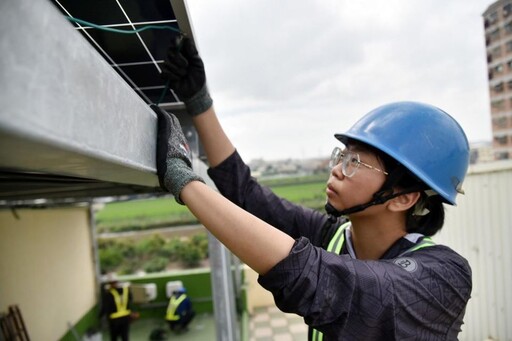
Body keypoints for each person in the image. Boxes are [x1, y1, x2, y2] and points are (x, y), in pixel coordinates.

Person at [151, 36, 472, 340]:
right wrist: (199, 101)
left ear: (404, 197)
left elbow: (329, 282)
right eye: (340, 156)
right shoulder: (332, 237)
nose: (336, 170)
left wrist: (185, 182)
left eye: (355, 163)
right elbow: (247, 195)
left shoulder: (443, 276)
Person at [99, 274, 133, 341]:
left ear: (109, 283)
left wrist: (100, 316)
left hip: (114, 320)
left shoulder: (108, 294)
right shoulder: (126, 290)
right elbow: (131, 300)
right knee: (125, 337)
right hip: (125, 318)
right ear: (117, 281)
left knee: (114, 338)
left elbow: (105, 307)